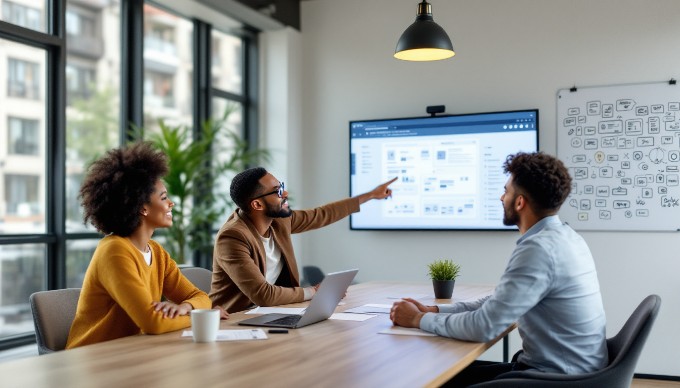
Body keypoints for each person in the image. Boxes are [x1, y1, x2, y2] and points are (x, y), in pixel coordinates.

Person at [390, 152, 608, 386]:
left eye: (506, 191)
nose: (501, 197)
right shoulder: (564, 236)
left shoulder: (539, 249)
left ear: (520, 202)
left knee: (432, 379)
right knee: (441, 374)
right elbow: (497, 304)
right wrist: (435, 311)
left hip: (559, 379)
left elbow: (484, 326)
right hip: (569, 370)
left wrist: (417, 319)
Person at [67, 142, 226, 349]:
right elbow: (153, 322)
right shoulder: (114, 251)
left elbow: (200, 297)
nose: (171, 203)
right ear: (142, 207)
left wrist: (186, 307)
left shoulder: (156, 252)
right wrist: (203, 316)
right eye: (164, 197)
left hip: (133, 351)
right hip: (93, 357)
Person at [210, 167, 396, 313]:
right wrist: (314, 292)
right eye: (277, 191)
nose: (285, 194)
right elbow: (263, 294)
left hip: (268, 314)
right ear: (257, 204)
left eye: (281, 186)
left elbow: (321, 215)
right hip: (233, 321)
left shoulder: (279, 221)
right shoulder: (232, 237)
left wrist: (370, 195)